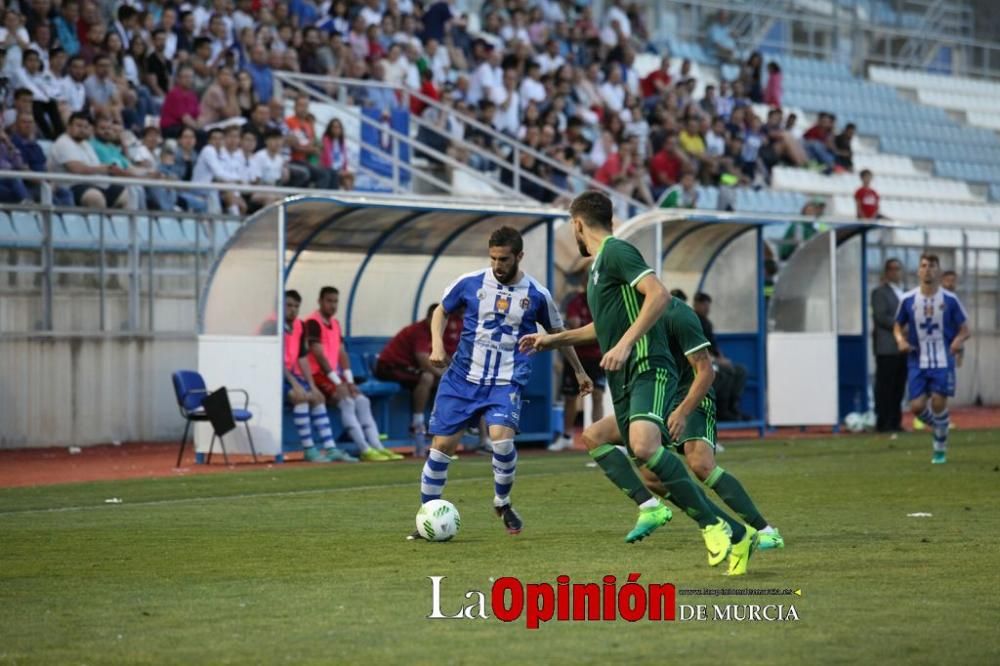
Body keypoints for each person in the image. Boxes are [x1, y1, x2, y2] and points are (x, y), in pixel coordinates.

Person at [519, 192, 743, 573]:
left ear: (577, 224)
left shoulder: (616, 251)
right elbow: (603, 327)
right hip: (622, 376)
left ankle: (715, 525)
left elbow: (657, 294)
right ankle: (677, 514)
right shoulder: (598, 267)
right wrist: (554, 339)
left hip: (647, 367)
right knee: (595, 438)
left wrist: (624, 345)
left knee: (642, 445)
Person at [410, 226, 592, 539]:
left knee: (503, 441)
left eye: (504, 259)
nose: (498, 265)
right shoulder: (469, 282)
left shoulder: (537, 294)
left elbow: (560, 335)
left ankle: (502, 502)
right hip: (463, 378)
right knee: (441, 448)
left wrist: (579, 371)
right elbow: (441, 310)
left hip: (505, 381)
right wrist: (437, 345)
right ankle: (428, 516)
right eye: (493, 258)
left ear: (519, 256)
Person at [306, 286, 403, 462]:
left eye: (335, 301)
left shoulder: (335, 324)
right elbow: (318, 354)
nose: (332, 305)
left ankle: (378, 447)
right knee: (347, 402)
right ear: (320, 301)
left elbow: (341, 353)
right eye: (329, 301)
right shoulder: (313, 323)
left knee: (362, 400)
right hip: (317, 375)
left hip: (335, 375)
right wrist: (337, 382)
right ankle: (364, 448)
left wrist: (349, 380)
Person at [894, 254, 970, 463]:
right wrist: (900, 339)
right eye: (924, 266)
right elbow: (897, 325)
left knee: (938, 402)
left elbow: (965, 329)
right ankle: (940, 425)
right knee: (916, 407)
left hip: (943, 358)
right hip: (917, 359)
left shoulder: (950, 300)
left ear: (938, 271)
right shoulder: (908, 299)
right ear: (918, 271)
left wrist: (957, 341)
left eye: (932, 266)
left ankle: (939, 449)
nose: (927, 269)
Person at [281, 290, 357, 463]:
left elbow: (302, 358)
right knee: (298, 396)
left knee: (318, 397)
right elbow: (275, 361)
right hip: (274, 376)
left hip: (291, 375)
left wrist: (311, 385)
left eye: (296, 306)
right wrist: (295, 384)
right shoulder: (273, 326)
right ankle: (309, 449)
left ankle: (330, 448)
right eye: (288, 305)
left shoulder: (299, 325)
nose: (292, 310)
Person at [375, 304, 446, 440]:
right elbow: (424, 362)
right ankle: (417, 424)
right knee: (427, 377)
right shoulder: (420, 331)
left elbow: (440, 357)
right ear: (429, 317)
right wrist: (445, 375)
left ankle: (438, 422)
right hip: (388, 366)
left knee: (437, 380)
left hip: (405, 368)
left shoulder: (435, 333)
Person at [550, 283, 606, 452]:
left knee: (597, 395)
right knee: (571, 397)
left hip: (597, 356)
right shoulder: (576, 302)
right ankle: (567, 436)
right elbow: (572, 326)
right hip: (576, 356)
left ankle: (599, 436)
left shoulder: (603, 301)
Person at [692, 292, 748, 421]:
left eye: (708, 305)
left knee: (740, 371)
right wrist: (717, 360)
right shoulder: (693, 320)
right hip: (703, 361)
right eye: (703, 304)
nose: (706, 308)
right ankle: (721, 411)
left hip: (714, 359)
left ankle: (732, 407)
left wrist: (722, 358)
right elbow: (698, 348)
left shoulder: (707, 323)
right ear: (696, 304)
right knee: (724, 372)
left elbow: (714, 346)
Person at [871, 258, 907, 433]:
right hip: (887, 347)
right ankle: (883, 422)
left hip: (903, 347)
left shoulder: (905, 293)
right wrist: (901, 325)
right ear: (886, 272)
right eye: (892, 269)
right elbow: (881, 317)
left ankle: (895, 421)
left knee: (898, 387)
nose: (896, 272)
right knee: (885, 386)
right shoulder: (880, 293)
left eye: (898, 269)